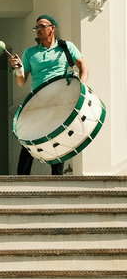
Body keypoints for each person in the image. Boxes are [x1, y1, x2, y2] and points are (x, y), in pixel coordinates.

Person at [7, 14, 88, 175]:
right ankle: (21, 179)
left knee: (58, 138)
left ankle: (57, 179)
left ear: (53, 28)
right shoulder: (30, 53)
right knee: (29, 139)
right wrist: (17, 69)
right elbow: (22, 81)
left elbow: (83, 67)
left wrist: (82, 88)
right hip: (37, 100)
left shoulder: (66, 47)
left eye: (42, 26)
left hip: (60, 99)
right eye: (36, 27)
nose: (38, 30)